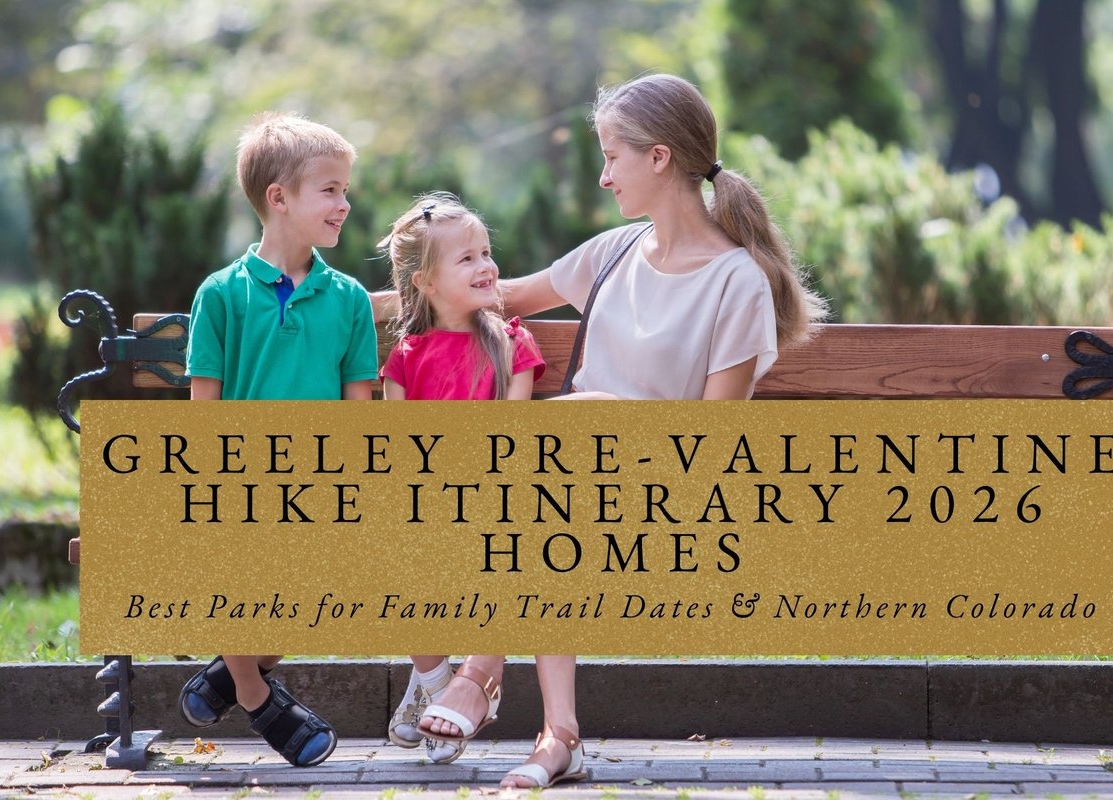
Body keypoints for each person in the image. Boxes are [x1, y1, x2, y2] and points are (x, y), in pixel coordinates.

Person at [418, 73, 828, 789]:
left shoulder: (736, 281)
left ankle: (482, 671)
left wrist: (606, 416)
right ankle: (557, 735)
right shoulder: (614, 252)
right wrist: (348, 308)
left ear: (660, 157)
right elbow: (492, 295)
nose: (604, 176)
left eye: (613, 157)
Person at [177, 112, 378, 768]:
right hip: (238, 487)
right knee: (245, 573)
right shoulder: (221, 295)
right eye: (330, 190)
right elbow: (203, 416)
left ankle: (225, 676)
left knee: (316, 590)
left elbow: (358, 413)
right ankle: (260, 696)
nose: (345, 204)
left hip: (321, 487)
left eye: (345, 190)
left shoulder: (348, 300)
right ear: (279, 198)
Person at [377, 192, 544, 765]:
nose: (487, 266)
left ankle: (448, 691)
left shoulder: (510, 342)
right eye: (467, 258)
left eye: (487, 252)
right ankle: (433, 683)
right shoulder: (406, 354)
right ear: (424, 281)